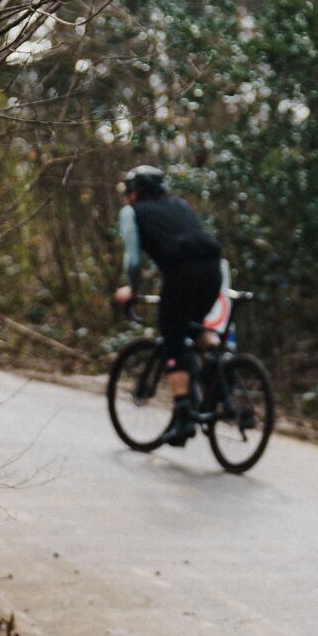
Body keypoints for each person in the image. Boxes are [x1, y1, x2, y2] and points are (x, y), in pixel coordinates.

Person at [112, 165, 225, 446]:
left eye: (128, 193)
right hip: (213, 271)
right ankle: (222, 381)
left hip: (182, 275)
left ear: (134, 193)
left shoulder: (132, 212)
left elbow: (134, 260)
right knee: (193, 327)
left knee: (173, 337)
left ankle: (185, 416)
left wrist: (132, 290)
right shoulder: (180, 205)